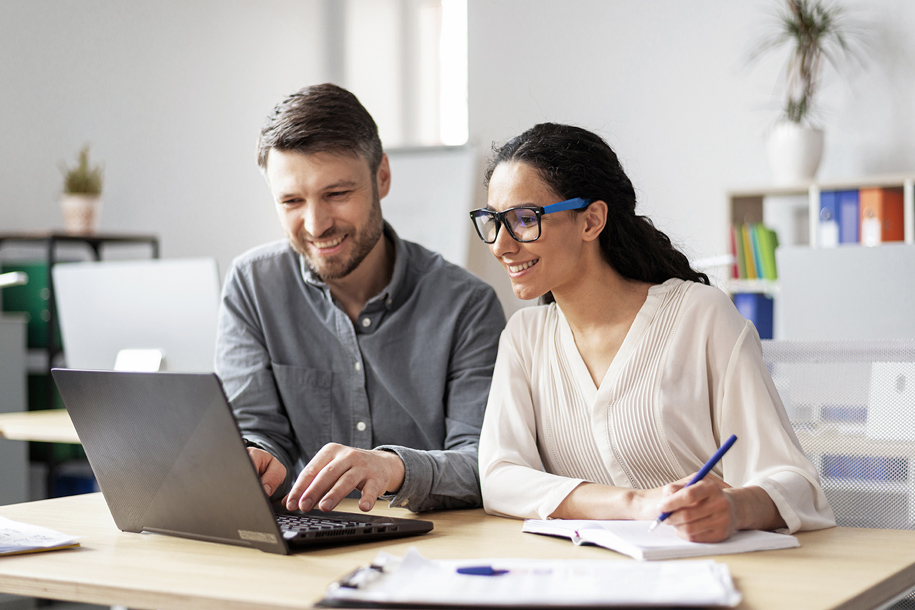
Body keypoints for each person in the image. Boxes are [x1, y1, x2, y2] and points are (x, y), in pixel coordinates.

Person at [473, 122, 834, 542]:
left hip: (711, 571)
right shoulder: (525, 336)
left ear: (592, 221)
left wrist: (736, 508)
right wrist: (634, 505)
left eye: (523, 219)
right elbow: (499, 477)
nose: (501, 244)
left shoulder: (700, 316)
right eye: (493, 221)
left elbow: (797, 483)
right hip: (590, 577)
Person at [215, 83, 505, 514]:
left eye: (336, 194)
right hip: (301, 542)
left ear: (381, 176)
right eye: (292, 201)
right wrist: (256, 456)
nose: (315, 224)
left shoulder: (467, 306)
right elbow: (257, 428)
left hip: (429, 548)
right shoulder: (252, 286)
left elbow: (484, 465)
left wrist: (392, 469)